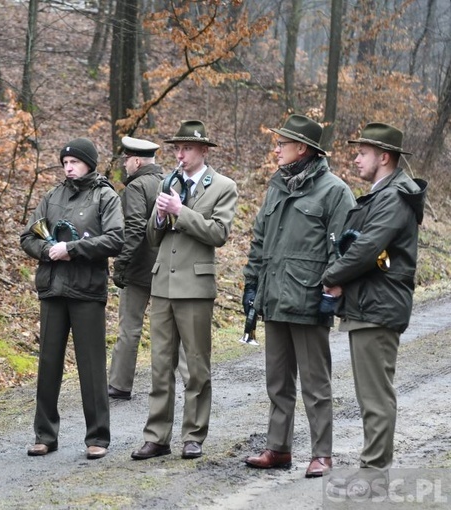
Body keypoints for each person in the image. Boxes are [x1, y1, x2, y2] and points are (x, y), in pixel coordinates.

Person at [243, 114, 355, 478]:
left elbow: (344, 248)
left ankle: (322, 453)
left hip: (309, 300)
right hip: (274, 298)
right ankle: (279, 449)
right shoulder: (276, 186)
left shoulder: (334, 190)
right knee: (277, 381)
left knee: (316, 384)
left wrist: (330, 290)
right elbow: (259, 241)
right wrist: (252, 286)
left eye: (282, 144)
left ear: (302, 148)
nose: (275, 149)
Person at [323, 123, 427, 495]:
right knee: (370, 393)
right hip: (369, 304)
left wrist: (331, 276)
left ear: (383, 157)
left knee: (375, 395)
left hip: (378, 307)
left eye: (362, 152)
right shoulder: (382, 193)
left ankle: (374, 474)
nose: (356, 157)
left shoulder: (394, 196)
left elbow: (367, 248)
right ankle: (371, 468)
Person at [131, 120, 237, 461]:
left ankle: (193, 435)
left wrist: (181, 211)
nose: (180, 154)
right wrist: (161, 217)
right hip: (163, 284)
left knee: (195, 368)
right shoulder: (167, 181)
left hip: (195, 286)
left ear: (203, 151)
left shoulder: (222, 186)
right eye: (177, 149)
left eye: (187, 148)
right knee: (160, 365)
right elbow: (152, 237)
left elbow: (218, 233)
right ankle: (157, 436)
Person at [20, 137, 124, 460]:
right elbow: (27, 236)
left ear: (89, 164)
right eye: (65, 162)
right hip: (52, 289)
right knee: (48, 364)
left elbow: (116, 239)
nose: (68, 167)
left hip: (87, 291)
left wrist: (73, 250)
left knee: (91, 367)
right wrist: (49, 252)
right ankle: (45, 435)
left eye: (74, 162)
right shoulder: (52, 196)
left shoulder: (106, 196)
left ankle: (98, 437)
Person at [109, 136, 188, 400]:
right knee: (172, 327)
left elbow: (132, 230)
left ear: (137, 161)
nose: (125, 166)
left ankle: (119, 385)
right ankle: (190, 383)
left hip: (139, 268)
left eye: (127, 161)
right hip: (169, 266)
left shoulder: (135, 188)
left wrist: (122, 263)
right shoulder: (170, 182)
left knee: (129, 327)